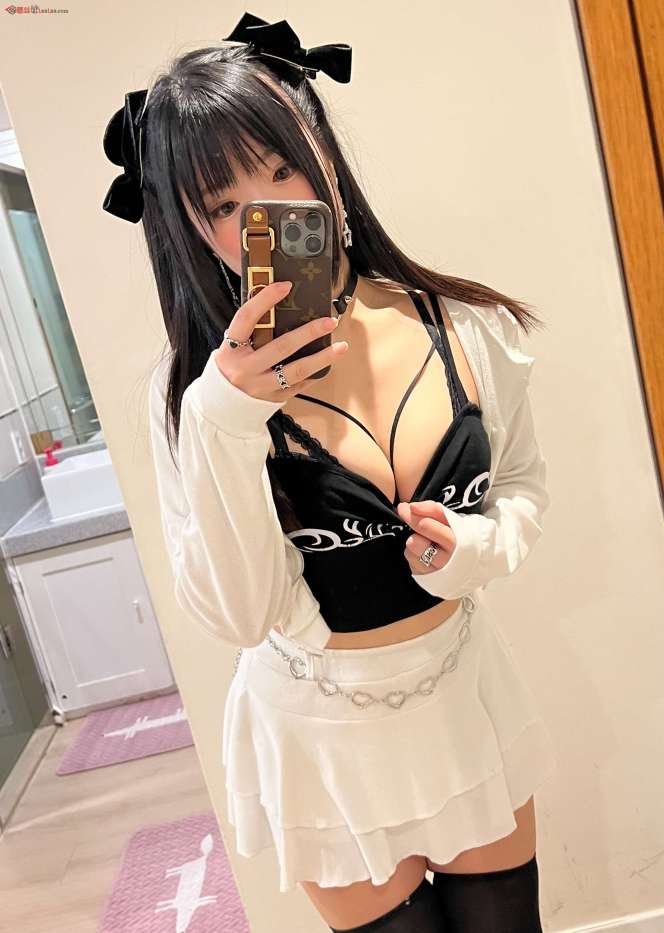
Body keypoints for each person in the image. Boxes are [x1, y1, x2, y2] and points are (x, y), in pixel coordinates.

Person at [103, 12, 558, 932]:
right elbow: (241, 615)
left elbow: (522, 488)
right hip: (321, 739)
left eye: (282, 170)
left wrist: (472, 549)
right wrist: (227, 418)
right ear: (193, 230)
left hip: (462, 698)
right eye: (223, 205)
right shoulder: (191, 397)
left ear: (324, 154)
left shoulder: (461, 326)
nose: (266, 213)